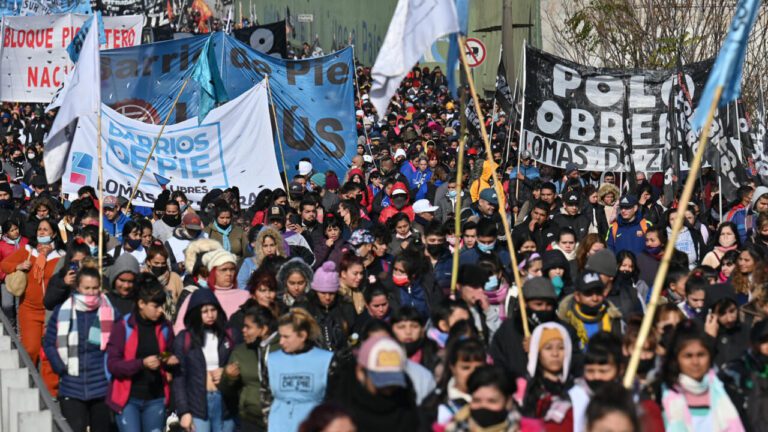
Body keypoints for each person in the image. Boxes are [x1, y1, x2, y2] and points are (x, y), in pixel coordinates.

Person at [43, 267, 115, 432]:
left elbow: (120, 343)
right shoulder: (64, 310)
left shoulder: (109, 311)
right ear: (78, 288)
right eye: (87, 288)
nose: (91, 292)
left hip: (102, 386)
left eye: (95, 288)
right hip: (71, 385)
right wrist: (60, 366)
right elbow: (49, 342)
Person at [106, 274, 178, 432]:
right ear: (141, 303)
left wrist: (168, 359)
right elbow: (113, 364)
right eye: (155, 306)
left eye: (161, 305)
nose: (160, 311)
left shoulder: (165, 327)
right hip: (128, 398)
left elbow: (168, 352)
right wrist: (141, 364)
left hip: (156, 397)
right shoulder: (123, 327)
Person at [1, 217, 65, 393]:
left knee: (49, 353)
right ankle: (27, 388)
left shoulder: (62, 256)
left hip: (52, 312)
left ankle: (50, 393)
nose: (41, 232)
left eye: (45, 229)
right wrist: (19, 265)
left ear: (54, 233)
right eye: (39, 230)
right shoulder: (28, 250)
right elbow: (4, 265)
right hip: (29, 309)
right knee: (31, 349)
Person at [659, 319, 744, 431]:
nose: (695, 362)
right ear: (676, 359)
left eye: (701, 355)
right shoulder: (662, 396)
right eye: (688, 356)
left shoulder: (726, 392)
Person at [325, 335, 421, 432]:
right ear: (361, 373)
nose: (388, 388)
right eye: (381, 380)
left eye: (394, 381)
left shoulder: (406, 405)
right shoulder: (341, 412)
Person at [172, 289, 235, 432]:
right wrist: (183, 411)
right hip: (197, 404)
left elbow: (239, 363)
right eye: (204, 311)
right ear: (196, 313)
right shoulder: (184, 339)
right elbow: (179, 378)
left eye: (213, 310)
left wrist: (226, 371)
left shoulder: (228, 335)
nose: (210, 315)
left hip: (225, 402)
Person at [266, 308, 334, 432]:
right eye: (280, 336)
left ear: (302, 335)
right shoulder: (272, 359)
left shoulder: (326, 360)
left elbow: (334, 399)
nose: (281, 342)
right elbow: (265, 396)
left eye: (286, 337)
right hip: (279, 425)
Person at [219, 306, 279, 431]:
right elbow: (227, 391)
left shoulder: (283, 348)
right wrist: (228, 377)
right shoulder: (241, 352)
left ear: (264, 329)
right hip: (251, 419)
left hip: (279, 417)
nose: (243, 330)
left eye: (248, 327)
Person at [174, 249, 250, 334]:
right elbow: (180, 328)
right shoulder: (193, 295)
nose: (229, 273)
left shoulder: (244, 295)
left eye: (232, 269)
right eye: (224, 269)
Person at [521, 322, 574, 430]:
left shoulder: (574, 388)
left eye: (561, 348)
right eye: (548, 348)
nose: (555, 354)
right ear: (538, 353)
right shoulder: (527, 390)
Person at [442, 365, 522, 432]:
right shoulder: (453, 428)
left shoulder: (524, 429)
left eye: (492, 401)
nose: (483, 406)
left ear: (508, 402)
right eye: (477, 400)